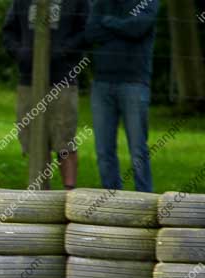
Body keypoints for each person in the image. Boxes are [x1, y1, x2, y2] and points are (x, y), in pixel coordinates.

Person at [2, 0, 89, 190]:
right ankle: (40, 192)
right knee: (33, 137)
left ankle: (69, 192)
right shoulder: (20, 2)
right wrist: (20, 53)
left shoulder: (78, 2)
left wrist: (64, 50)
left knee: (64, 137)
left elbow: (86, 31)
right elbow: (8, 32)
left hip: (63, 77)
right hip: (29, 79)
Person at [86, 0, 159, 192]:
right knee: (103, 150)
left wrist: (108, 23)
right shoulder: (101, 3)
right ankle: (111, 199)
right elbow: (90, 32)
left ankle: (144, 198)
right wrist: (123, 27)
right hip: (102, 83)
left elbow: (138, 28)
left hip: (134, 82)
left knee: (138, 149)